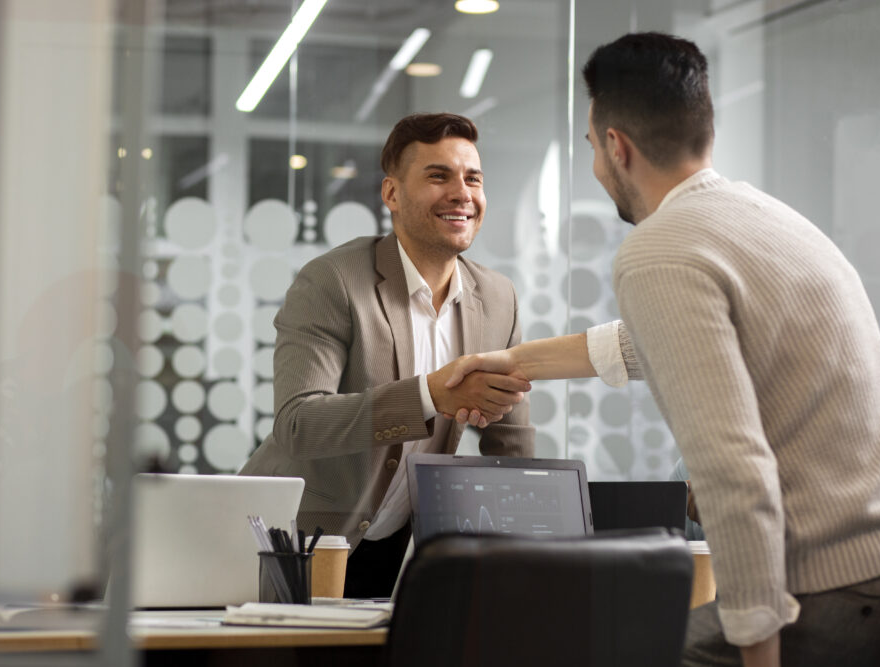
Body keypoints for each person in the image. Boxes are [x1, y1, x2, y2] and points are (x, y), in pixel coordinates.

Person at [444, 33, 880, 667]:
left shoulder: (660, 249)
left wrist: (760, 660)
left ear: (616, 147)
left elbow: (733, 467)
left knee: (593, 655)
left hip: (830, 595)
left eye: (590, 147)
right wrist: (513, 362)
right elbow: (656, 342)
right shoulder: (764, 220)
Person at [240, 112, 633, 598]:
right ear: (391, 195)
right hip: (295, 542)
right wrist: (431, 395)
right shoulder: (333, 281)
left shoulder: (497, 296)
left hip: (391, 544)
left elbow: (509, 441)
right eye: (438, 176)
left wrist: (528, 557)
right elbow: (298, 423)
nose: (462, 193)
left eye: (473, 178)